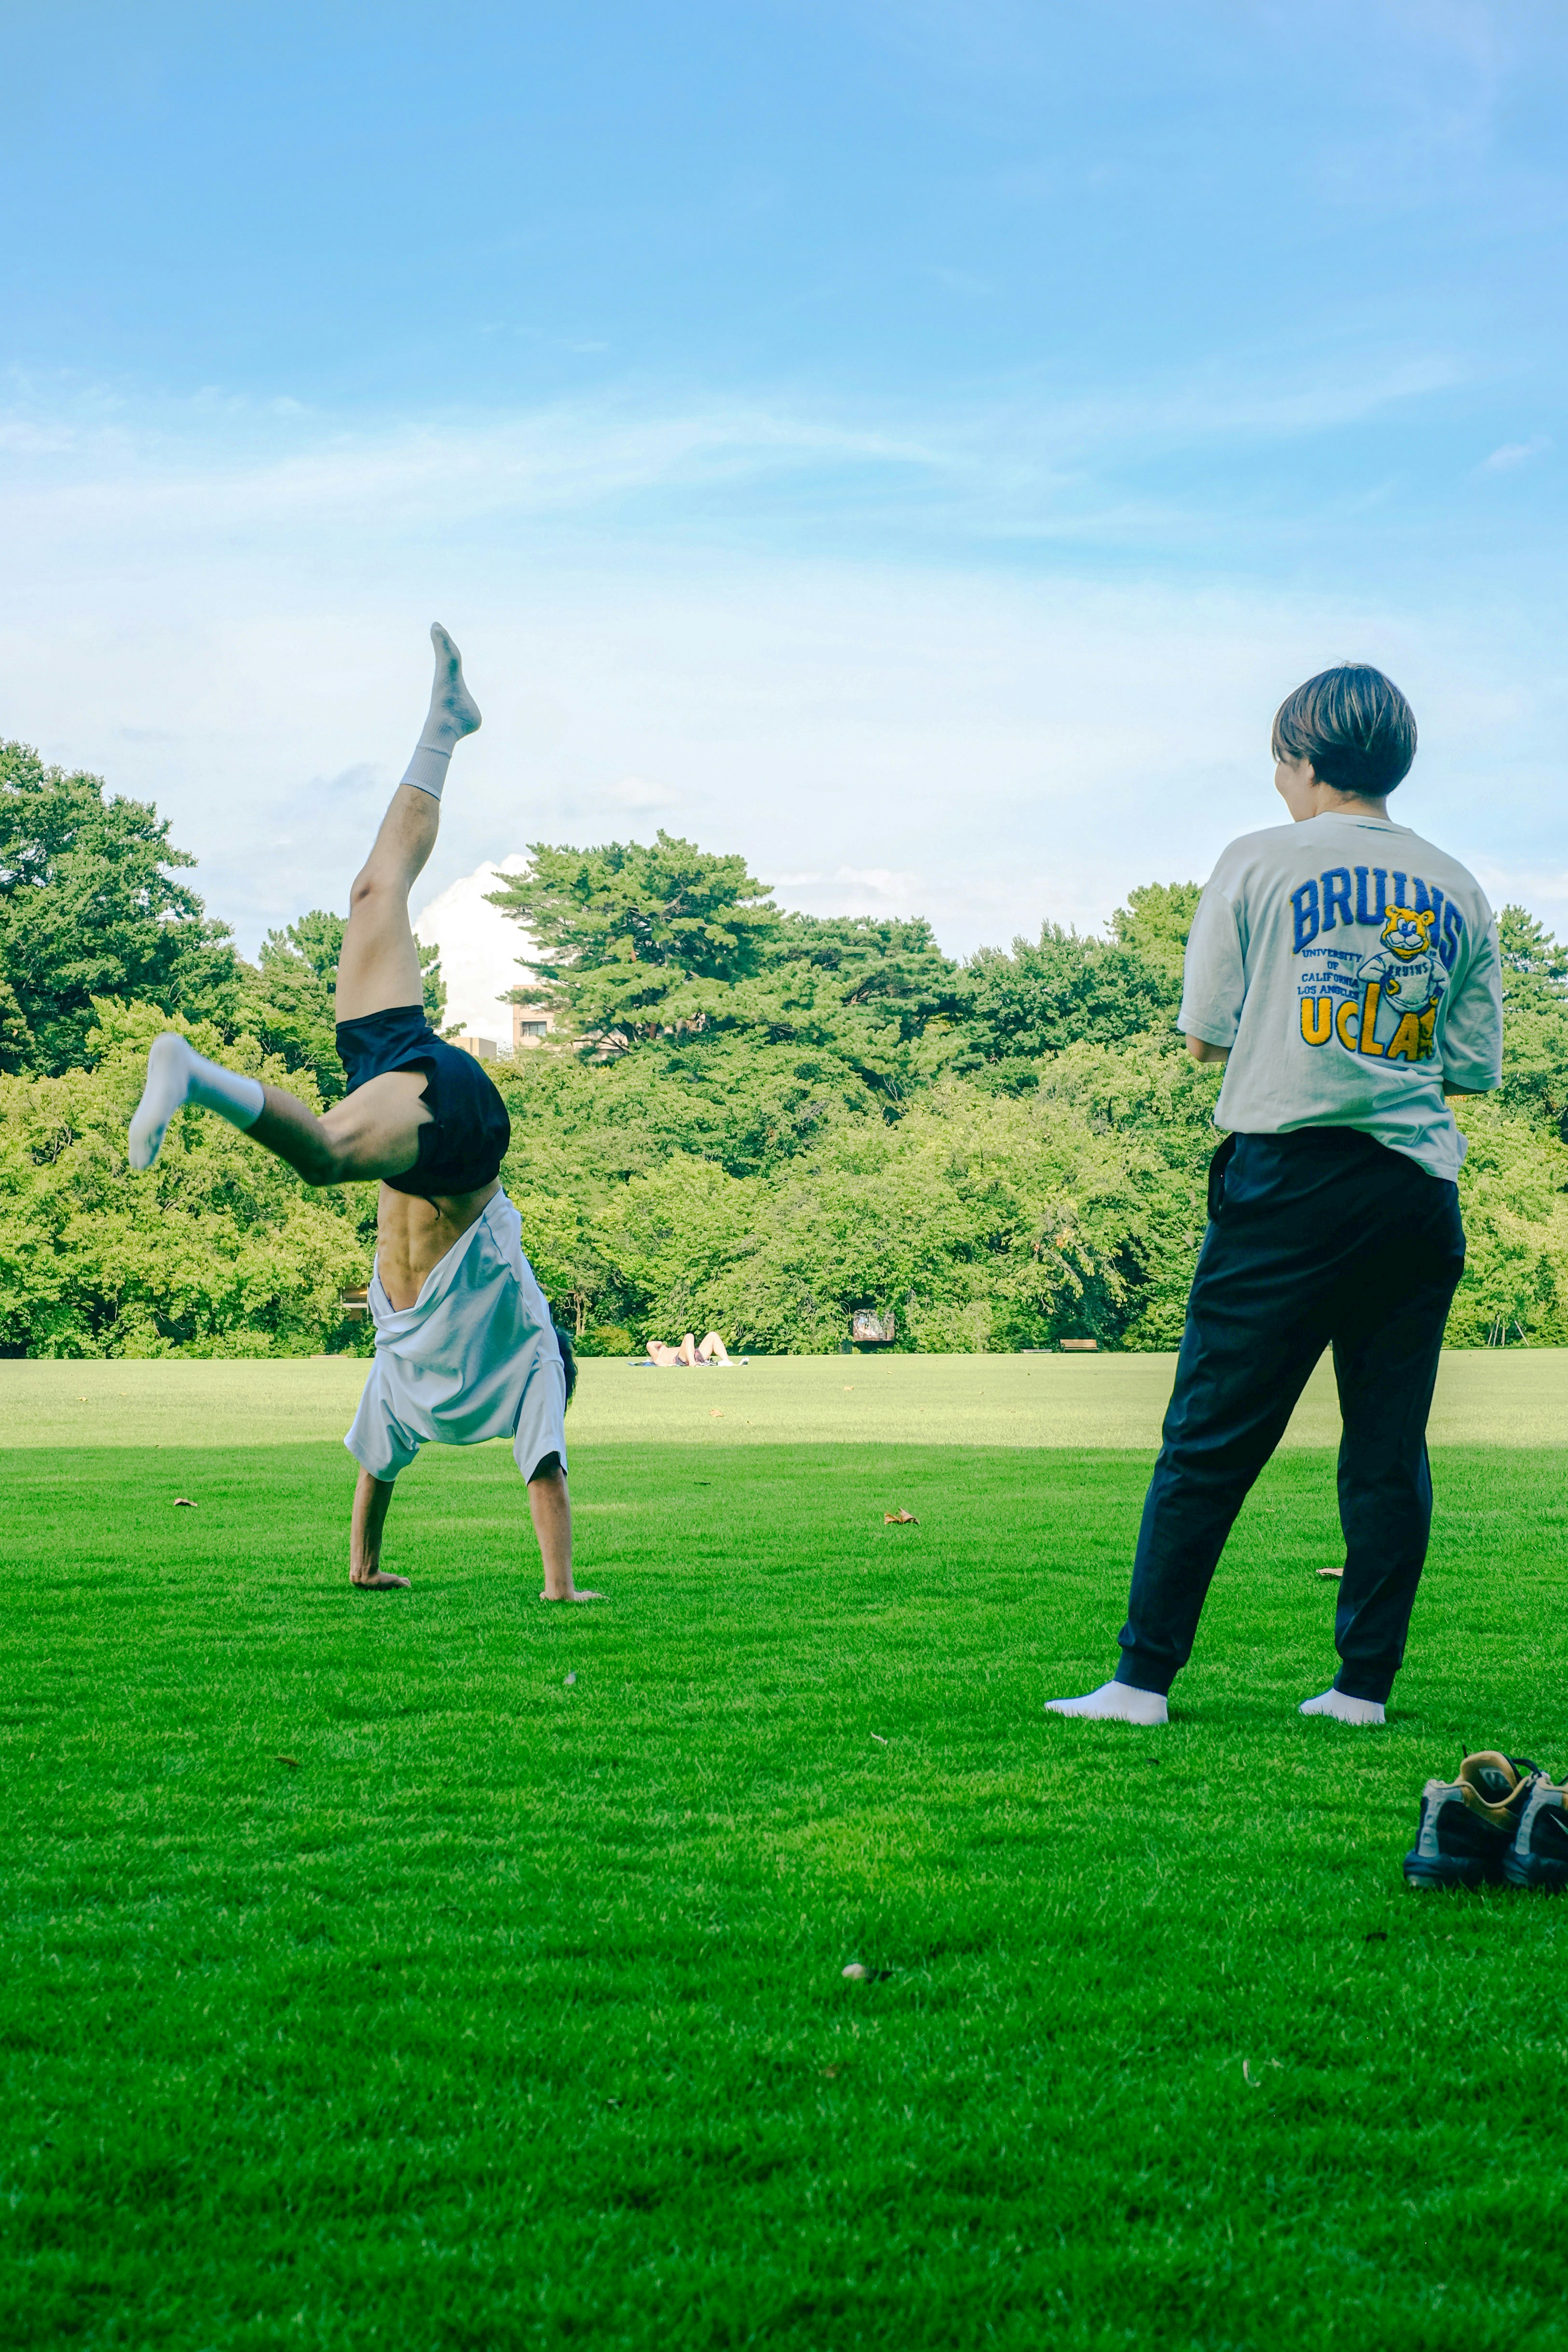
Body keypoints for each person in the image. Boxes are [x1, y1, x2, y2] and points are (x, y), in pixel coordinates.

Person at [1047, 663, 1502, 1728]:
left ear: (1299, 759)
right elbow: (1468, 1067)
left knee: (1208, 1435)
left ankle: (1140, 1682)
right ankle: (1359, 1690)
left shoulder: (1254, 859)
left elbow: (1204, 1033)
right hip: (1411, 1188)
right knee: (1385, 1447)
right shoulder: (1459, 885)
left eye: (1278, 760)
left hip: (1287, 1180)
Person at [128, 625, 601, 1603]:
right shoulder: (528, 1337)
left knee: (370, 893)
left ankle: (445, 724)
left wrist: (362, 1567)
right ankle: (448, 724)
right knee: (339, 1136)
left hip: (408, 1103)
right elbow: (546, 1471)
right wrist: (559, 1589)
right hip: (462, 1136)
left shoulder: (398, 1370)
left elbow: (376, 1467)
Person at [646, 1332, 734, 1367]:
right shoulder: (658, 1358)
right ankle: (692, 1363)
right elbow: (650, 1345)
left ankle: (727, 1361)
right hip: (683, 1359)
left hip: (694, 1354)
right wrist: (661, 1345)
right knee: (689, 1336)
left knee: (713, 1335)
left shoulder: (666, 1351)